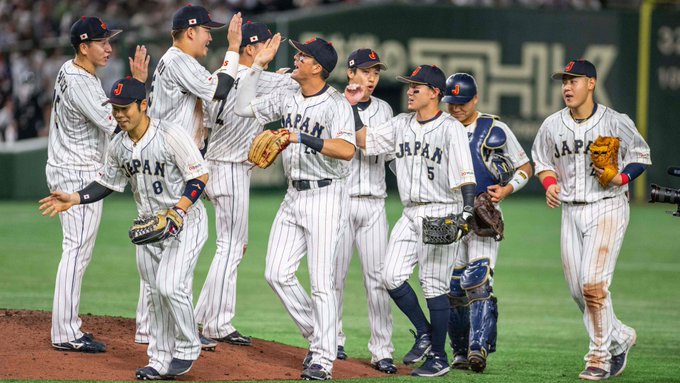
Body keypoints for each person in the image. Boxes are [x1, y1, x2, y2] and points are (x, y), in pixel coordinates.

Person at [40, 77, 210, 380]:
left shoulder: (171, 135)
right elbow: (106, 183)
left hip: (186, 221)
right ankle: (158, 360)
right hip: (148, 225)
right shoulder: (118, 144)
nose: (119, 114)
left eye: (124, 108)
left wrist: (178, 211)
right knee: (155, 295)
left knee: (171, 285)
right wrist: (76, 197)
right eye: (115, 108)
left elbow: (199, 177)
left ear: (143, 105)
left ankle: (187, 348)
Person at [234, 35, 356, 380]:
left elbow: (347, 150)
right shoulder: (287, 93)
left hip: (326, 196)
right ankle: (321, 336)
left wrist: (301, 137)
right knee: (276, 273)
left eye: (304, 56)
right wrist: (257, 66)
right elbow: (243, 106)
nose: (297, 58)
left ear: (318, 67)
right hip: (293, 195)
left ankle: (322, 358)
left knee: (321, 282)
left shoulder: (336, 104)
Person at [346, 64, 476, 377]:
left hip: (443, 211)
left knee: (433, 285)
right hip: (410, 212)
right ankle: (425, 333)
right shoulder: (400, 124)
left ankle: (439, 358)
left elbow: (465, 176)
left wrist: (467, 212)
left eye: (417, 87)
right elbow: (363, 139)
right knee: (390, 276)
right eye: (409, 86)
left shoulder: (450, 129)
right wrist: (351, 107)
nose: (410, 91)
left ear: (435, 93)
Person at [531, 59, 650, 381]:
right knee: (578, 291)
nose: (567, 87)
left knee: (593, 286)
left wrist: (622, 179)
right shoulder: (552, 125)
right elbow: (542, 161)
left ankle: (599, 356)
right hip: (571, 211)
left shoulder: (615, 121)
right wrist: (549, 184)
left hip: (607, 206)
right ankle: (620, 336)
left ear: (592, 84)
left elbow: (641, 155)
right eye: (564, 82)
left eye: (574, 81)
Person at [137, 4, 242, 348]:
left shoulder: (174, 62)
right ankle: (161, 331)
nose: (210, 37)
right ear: (190, 31)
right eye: (207, 31)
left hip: (167, 158)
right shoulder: (180, 60)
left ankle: (150, 328)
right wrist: (235, 49)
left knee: (162, 248)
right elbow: (221, 88)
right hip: (173, 162)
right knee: (171, 245)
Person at [46, 15, 147, 353]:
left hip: (67, 164)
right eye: (101, 42)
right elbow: (119, 124)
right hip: (78, 171)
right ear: (82, 47)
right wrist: (138, 88)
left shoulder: (70, 69)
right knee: (76, 252)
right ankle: (65, 332)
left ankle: (67, 327)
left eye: (109, 41)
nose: (108, 47)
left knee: (75, 251)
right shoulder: (81, 83)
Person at [194, 21, 297, 347]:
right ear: (251, 48)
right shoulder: (258, 78)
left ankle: (218, 321)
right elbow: (299, 88)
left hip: (215, 163)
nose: (271, 48)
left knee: (232, 246)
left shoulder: (220, 76)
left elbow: (207, 120)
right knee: (231, 248)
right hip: (232, 168)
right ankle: (197, 321)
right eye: (266, 44)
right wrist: (284, 76)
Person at [442, 73, 533, 373]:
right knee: (453, 287)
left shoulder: (494, 128)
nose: (456, 109)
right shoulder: (439, 127)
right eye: (451, 103)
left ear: (475, 99)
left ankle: (477, 347)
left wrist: (507, 189)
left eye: (462, 103)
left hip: (482, 213)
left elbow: (525, 166)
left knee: (478, 281)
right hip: (450, 214)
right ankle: (458, 350)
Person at [333, 48, 397, 374]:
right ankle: (333, 340)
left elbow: (372, 147)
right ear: (350, 73)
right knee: (333, 279)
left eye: (376, 72)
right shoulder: (331, 103)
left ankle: (382, 349)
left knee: (378, 281)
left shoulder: (384, 110)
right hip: (339, 202)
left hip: (373, 203)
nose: (371, 78)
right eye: (366, 71)